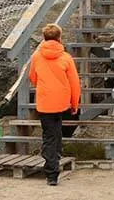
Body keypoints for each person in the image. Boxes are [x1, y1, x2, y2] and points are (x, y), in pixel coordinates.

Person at [28, 23, 80, 186]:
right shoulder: (66, 57)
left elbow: (32, 76)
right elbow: (74, 83)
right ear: (59, 38)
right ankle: (54, 164)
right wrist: (74, 102)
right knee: (56, 133)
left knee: (49, 135)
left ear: (44, 37)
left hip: (45, 101)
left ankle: (51, 172)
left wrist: (42, 86)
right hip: (62, 101)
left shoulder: (37, 56)